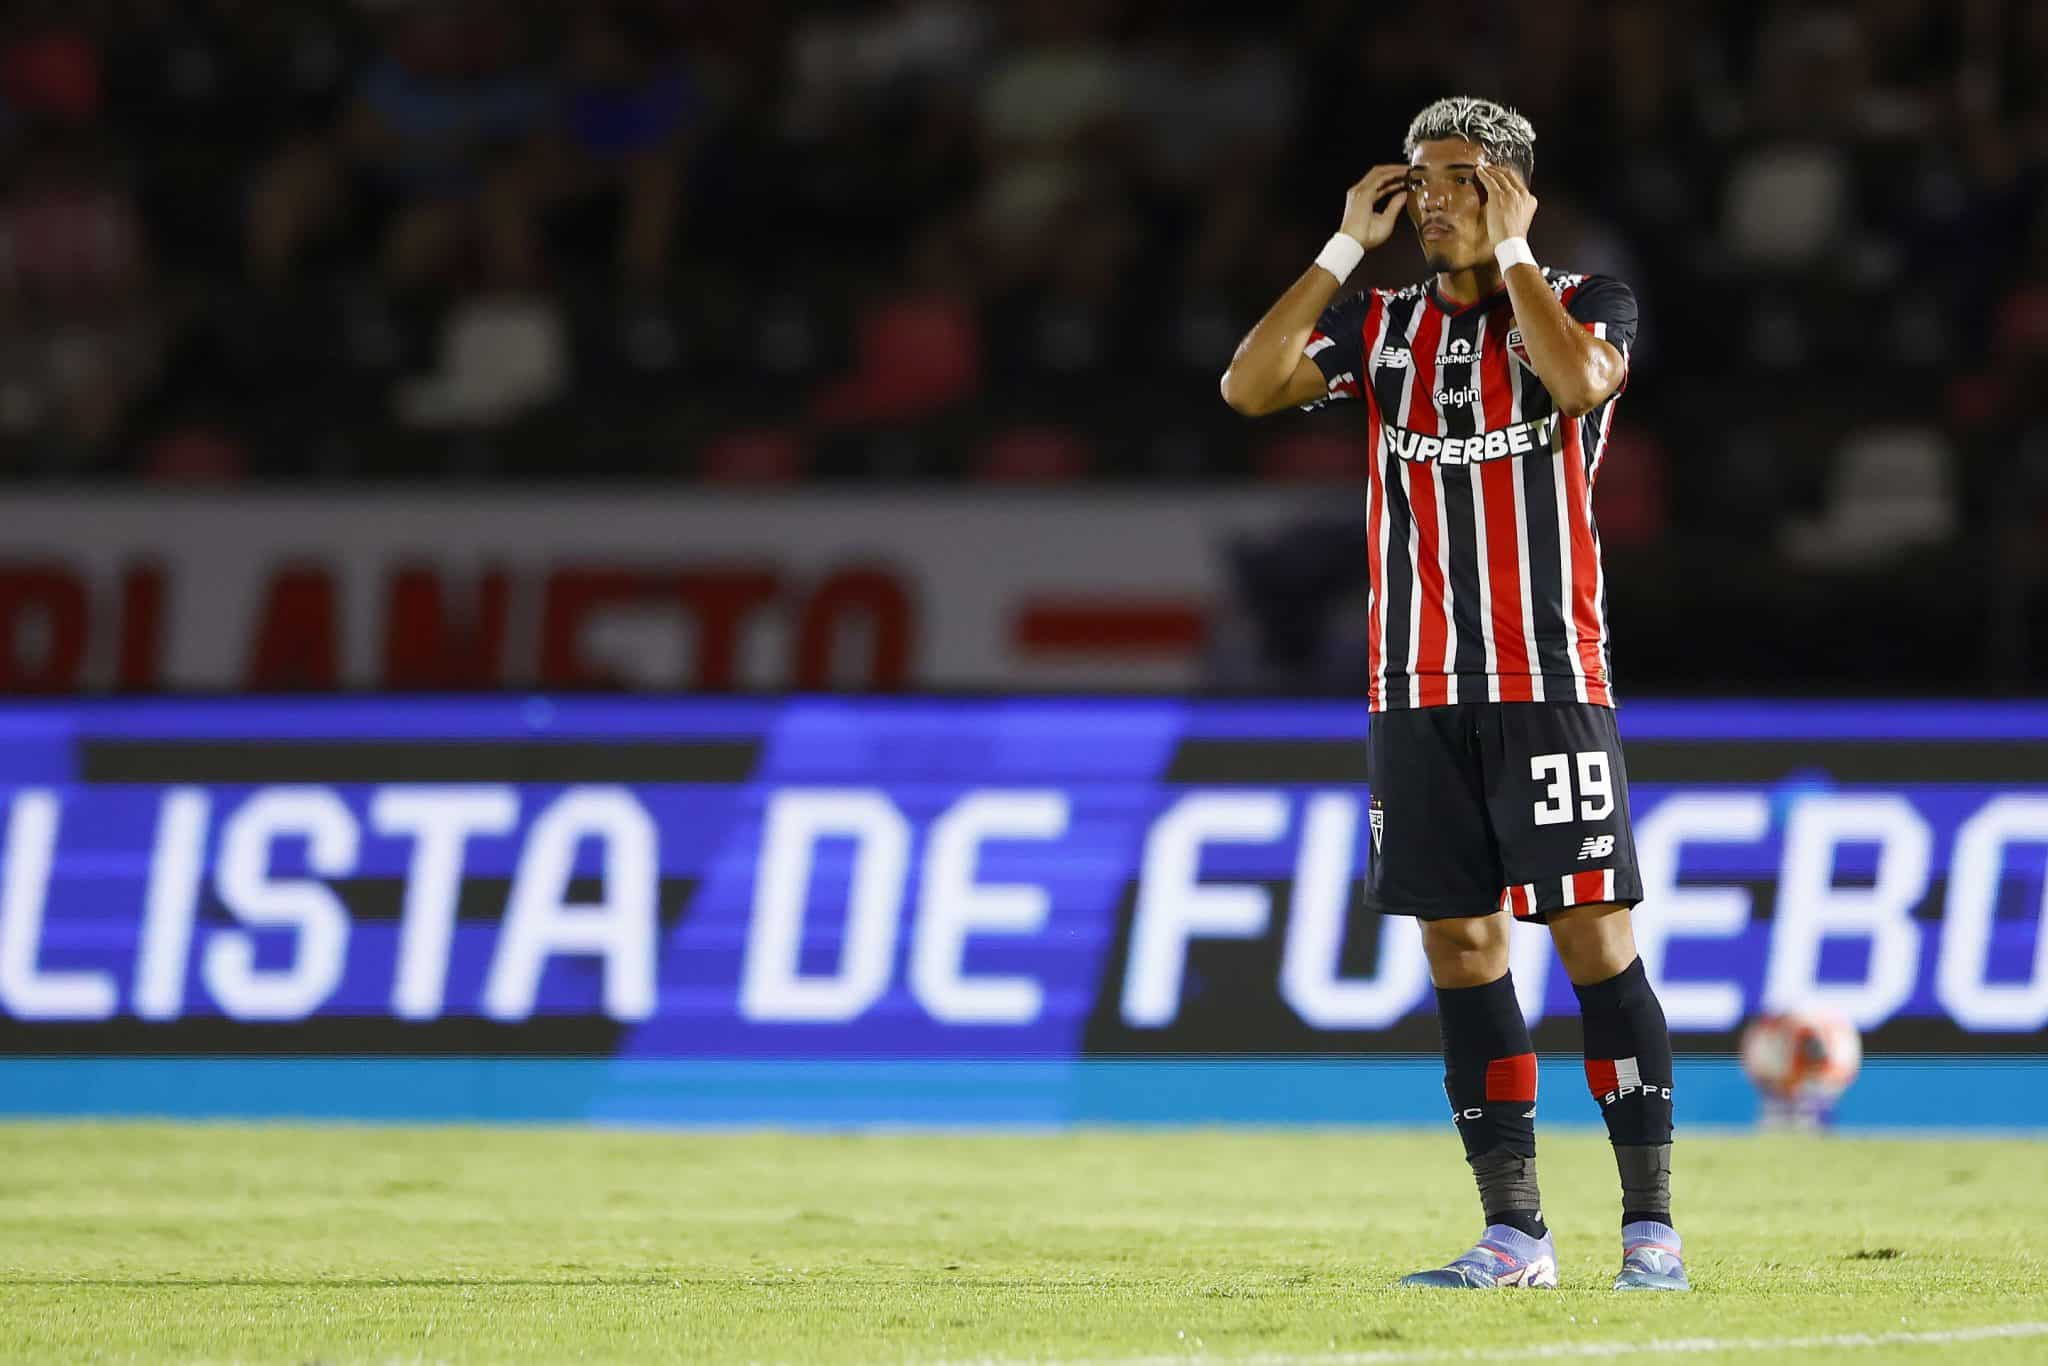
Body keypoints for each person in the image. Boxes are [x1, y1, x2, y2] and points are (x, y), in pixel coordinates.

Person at [1219, 96, 1685, 1293]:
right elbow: (1249, 385)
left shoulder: (1583, 303)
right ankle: (1513, 1233)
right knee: (1460, 944)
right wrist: (1337, 248)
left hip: (1547, 676)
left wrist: (1517, 249)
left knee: (1590, 936)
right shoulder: (1377, 327)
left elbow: (1581, 388)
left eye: (1459, 179)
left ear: (1514, 191)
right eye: (1418, 180)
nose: (1430, 199)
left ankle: (1648, 1230)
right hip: (1413, 684)